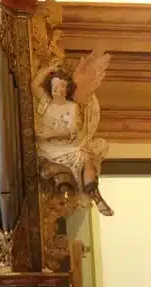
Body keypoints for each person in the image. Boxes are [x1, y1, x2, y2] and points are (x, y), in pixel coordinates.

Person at [33, 51, 114, 216]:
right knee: (82, 156)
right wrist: (50, 69)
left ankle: (93, 192)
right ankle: (87, 191)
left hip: (63, 145)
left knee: (85, 157)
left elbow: (70, 131)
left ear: (66, 89)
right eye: (55, 86)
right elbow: (34, 86)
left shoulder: (72, 107)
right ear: (51, 88)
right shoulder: (46, 102)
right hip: (48, 148)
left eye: (62, 86)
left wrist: (50, 133)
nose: (58, 89)